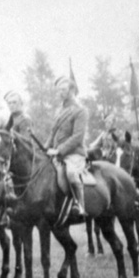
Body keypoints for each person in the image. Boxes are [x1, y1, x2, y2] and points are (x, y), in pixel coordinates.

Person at [46, 75, 88, 216]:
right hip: (57, 153)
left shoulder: (80, 111)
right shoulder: (59, 112)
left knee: (70, 173)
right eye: (58, 90)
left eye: (63, 90)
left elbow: (77, 137)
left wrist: (59, 151)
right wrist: (45, 147)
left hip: (74, 153)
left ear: (71, 89)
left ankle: (79, 204)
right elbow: (53, 133)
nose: (60, 93)